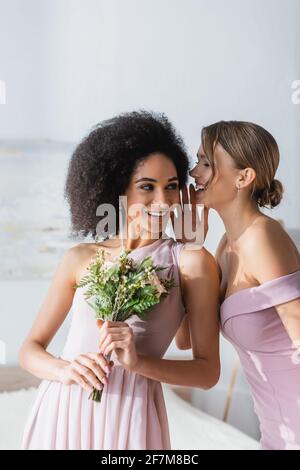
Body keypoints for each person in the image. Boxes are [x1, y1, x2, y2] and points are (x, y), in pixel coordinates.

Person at [19, 111, 220, 450]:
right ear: (118, 188)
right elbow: (30, 350)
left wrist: (139, 363)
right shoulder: (80, 258)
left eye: (171, 187)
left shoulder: (191, 261)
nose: (163, 201)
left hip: (131, 416)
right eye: (147, 187)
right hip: (62, 411)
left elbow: (207, 372)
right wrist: (65, 370)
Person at [177, 120, 300, 450]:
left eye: (206, 164)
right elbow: (186, 339)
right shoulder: (225, 248)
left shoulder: (262, 237)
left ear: (243, 178)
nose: (194, 172)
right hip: (277, 433)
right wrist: (187, 249)